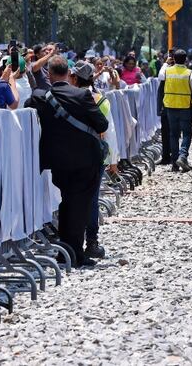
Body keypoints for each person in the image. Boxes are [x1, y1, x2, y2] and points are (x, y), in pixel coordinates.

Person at [25, 55, 109, 267]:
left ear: (49, 74)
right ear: (68, 73)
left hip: (59, 162)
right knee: (79, 206)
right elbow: (101, 124)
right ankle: (75, 254)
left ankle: (65, 251)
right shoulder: (82, 95)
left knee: (66, 202)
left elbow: (27, 106)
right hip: (85, 160)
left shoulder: (40, 97)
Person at [71, 60, 119, 260]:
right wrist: (114, 160)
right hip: (95, 156)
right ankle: (92, 241)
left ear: (74, 78)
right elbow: (110, 132)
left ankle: (72, 241)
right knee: (92, 200)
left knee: (72, 198)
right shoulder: (101, 100)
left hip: (72, 154)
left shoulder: (68, 98)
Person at [158, 49, 192, 172]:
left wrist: (166, 63)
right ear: (186, 60)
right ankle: (183, 156)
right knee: (187, 133)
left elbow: (160, 75)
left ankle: (174, 163)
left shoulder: (167, 71)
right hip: (184, 107)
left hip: (170, 107)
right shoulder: (189, 73)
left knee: (173, 134)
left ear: (173, 59)